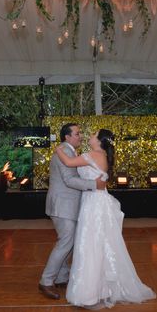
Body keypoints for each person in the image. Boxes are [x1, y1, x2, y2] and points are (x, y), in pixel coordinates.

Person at [55, 129, 156, 309]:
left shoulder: (92, 154)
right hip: (97, 200)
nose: (89, 137)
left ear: (99, 140)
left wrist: (57, 149)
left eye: (93, 135)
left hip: (93, 203)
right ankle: (101, 289)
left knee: (90, 244)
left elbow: (69, 162)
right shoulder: (101, 155)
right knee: (99, 244)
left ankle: (89, 292)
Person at [38, 123, 107, 300]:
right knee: (66, 242)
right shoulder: (65, 151)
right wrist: (94, 185)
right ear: (67, 137)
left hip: (70, 204)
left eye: (81, 133)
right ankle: (46, 281)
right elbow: (69, 180)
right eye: (77, 134)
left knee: (69, 242)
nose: (81, 136)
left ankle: (61, 277)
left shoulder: (69, 150)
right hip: (63, 204)